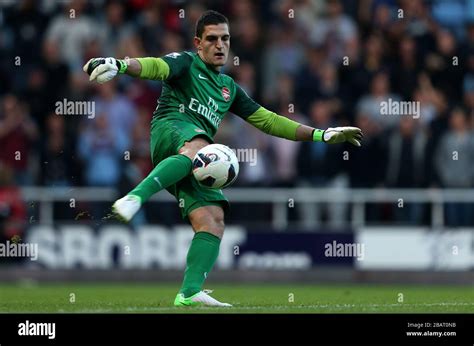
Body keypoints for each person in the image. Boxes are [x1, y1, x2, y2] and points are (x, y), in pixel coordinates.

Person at [83, 10, 363, 307]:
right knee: (199, 148)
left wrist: (322, 135)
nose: (220, 45)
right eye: (212, 39)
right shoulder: (186, 63)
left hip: (190, 159)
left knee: (213, 220)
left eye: (225, 39)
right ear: (198, 43)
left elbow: (269, 121)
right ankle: (135, 198)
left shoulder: (229, 88)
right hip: (170, 130)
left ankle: (189, 292)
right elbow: (156, 67)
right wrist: (121, 64)